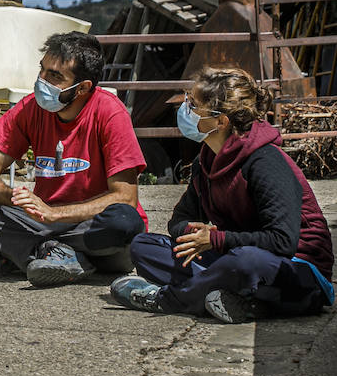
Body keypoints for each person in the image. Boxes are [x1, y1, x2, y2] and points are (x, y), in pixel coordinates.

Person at [111, 68, 333, 322]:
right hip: (231, 256)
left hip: (296, 270)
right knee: (144, 247)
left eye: (193, 105)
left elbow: (282, 242)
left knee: (244, 261)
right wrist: (193, 235)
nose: (185, 110)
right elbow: (179, 219)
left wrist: (216, 240)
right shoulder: (205, 160)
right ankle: (232, 298)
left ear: (221, 121)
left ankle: (169, 298)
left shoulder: (265, 162)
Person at [0, 31, 148, 286]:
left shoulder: (110, 113)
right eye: (43, 70)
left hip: (92, 231)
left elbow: (125, 197)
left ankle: (17, 252)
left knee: (124, 222)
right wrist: (14, 198)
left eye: (55, 76)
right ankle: (53, 254)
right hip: (41, 222)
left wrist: (54, 214)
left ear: (82, 88)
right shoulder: (29, 108)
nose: (42, 80)